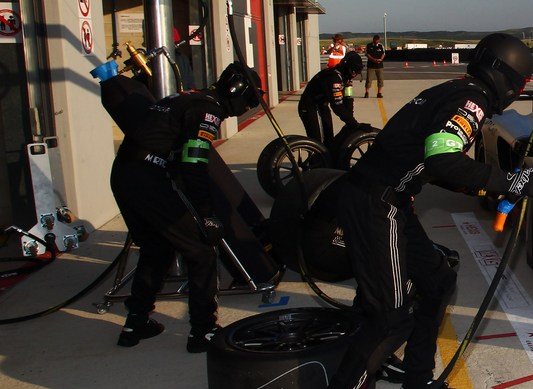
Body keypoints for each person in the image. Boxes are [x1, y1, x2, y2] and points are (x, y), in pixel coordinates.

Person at [310, 33, 533, 389]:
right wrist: (507, 181)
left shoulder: (455, 90)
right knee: (391, 315)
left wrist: (494, 187)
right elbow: (443, 160)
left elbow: (434, 164)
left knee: (436, 282)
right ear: (507, 77)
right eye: (520, 84)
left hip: (388, 200)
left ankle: (416, 383)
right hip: (374, 206)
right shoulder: (471, 102)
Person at [112, 62, 262, 351]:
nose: (247, 107)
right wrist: (207, 216)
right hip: (148, 178)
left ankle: (135, 322)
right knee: (201, 252)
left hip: (123, 174)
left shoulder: (182, 97)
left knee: (157, 249)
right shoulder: (208, 110)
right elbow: (193, 164)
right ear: (237, 91)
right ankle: (202, 332)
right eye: (250, 99)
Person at [298, 51, 362, 147]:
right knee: (318, 141)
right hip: (309, 106)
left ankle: (327, 159)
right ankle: (316, 160)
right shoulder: (334, 77)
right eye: (353, 70)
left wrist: (350, 121)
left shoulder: (347, 78)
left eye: (357, 71)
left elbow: (348, 99)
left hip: (321, 105)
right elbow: (337, 106)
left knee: (329, 138)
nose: (354, 74)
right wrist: (354, 124)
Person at [364, 34, 386, 98]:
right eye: (375, 40)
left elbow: (383, 53)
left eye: (377, 41)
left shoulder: (381, 46)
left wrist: (381, 59)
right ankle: (367, 92)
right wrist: (373, 59)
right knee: (369, 80)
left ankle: (379, 92)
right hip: (371, 66)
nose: (376, 42)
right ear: (373, 40)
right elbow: (367, 54)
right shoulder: (369, 45)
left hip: (379, 66)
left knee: (380, 80)